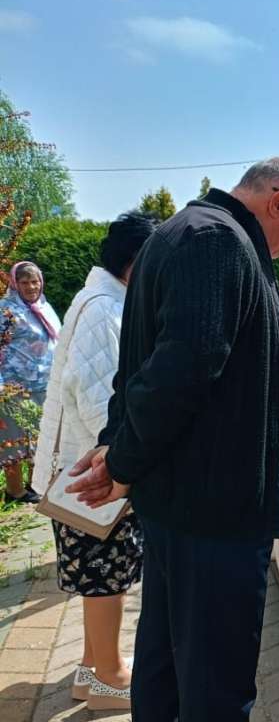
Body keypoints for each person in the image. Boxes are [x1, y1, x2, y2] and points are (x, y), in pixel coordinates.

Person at [66, 157, 279, 720]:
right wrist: (122, 460)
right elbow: (177, 371)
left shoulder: (186, 232)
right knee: (214, 684)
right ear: (278, 201)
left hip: (186, 504)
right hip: (214, 512)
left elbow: (141, 365)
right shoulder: (219, 242)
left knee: (165, 664)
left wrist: (119, 449)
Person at [32, 212, 158, 709]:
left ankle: (92, 670)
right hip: (93, 473)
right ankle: (108, 676)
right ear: (137, 261)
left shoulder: (103, 300)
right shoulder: (105, 307)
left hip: (84, 467)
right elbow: (100, 398)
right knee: (106, 576)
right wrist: (125, 460)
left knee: (101, 576)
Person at [0, 261, 61, 503]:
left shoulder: (44, 306)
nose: (31, 287)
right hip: (13, 386)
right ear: (15, 284)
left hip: (44, 383)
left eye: (34, 281)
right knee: (14, 439)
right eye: (24, 282)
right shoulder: (6, 311)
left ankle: (35, 485)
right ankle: (14, 491)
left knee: (40, 436)